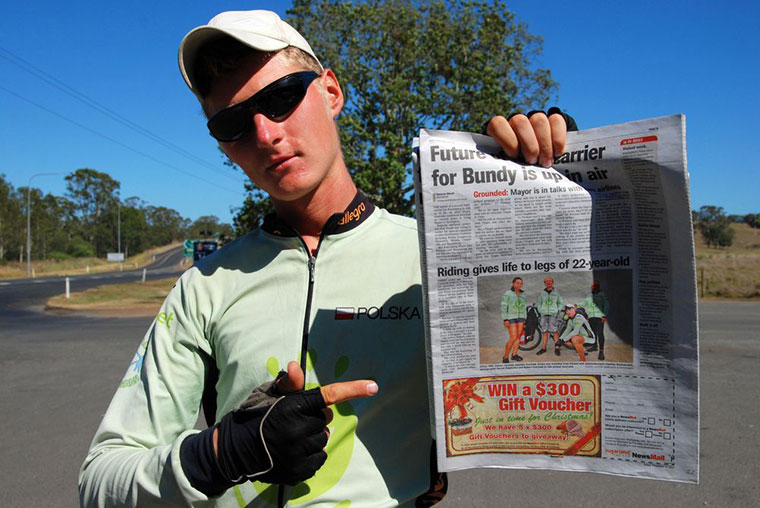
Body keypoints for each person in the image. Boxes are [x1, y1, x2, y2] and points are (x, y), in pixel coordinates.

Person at [78, 10, 571, 507]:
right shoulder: (204, 285)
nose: (265, 134)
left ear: (331, 92)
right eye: (231, 124)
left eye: (280, 98)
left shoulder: (435, 255)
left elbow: (560, 355)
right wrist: (221, 454)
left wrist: (549, 180)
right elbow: (100, 479)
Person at [535, 275, 564, 357]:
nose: (548, 282)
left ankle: (557, 348)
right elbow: (539, 303)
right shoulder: (542, 293)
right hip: (544, 315)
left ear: (552, 282)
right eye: (546, 281)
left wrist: (557, 310)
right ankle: (543, 348)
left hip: (553, 314)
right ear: (544, 283)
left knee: (555, 331)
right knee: (544, 332)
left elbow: (561, 303)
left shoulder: (556, 292)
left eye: (550, 281)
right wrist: (541, 311)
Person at [501, 277, 528, 363]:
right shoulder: (508, 293)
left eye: (521, 283)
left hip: (521, 318)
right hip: (511, 317)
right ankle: (505, 356)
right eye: (517, 283)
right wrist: (505, 319)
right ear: (513, 283)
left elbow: (524, 307)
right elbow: (504, 306)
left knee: (518, 337)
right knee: (513, 337)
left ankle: (514, 354)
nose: (519, 285)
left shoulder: (523, 294)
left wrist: (525, 319)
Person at [582, 281, 609, 360]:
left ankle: (601, 352)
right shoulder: (589, 296)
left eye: (594, 286)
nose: (592, 288)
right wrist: (576, 306)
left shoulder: (602, 295)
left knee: (600, 333)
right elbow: (583, 303)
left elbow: (606, 305)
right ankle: (594, 346)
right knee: (593, 333)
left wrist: (604, 315)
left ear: (597, 287)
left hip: (599, 317)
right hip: (591, 317)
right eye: (592, 287)